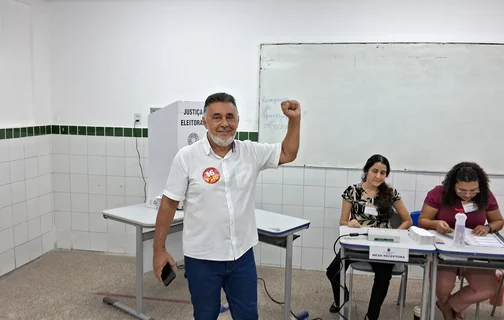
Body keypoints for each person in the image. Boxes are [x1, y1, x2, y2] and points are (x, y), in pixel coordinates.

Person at [152, 92, 301, 320]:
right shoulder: (187, 157)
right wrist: (159, 250)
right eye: (217, 117)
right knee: (205, 315)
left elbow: (287, 153)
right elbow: (168, 204)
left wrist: (294, 120)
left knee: (248, 315)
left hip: (241, 256)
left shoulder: (250, 152)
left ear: (238, 120)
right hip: (202, 258)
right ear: (204, 121)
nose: (224, 123)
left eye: (230, 117)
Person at [326, 154, 413, 320]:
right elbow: (343, 221)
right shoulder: (352, 191)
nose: (378, 176)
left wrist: (395, 233)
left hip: (382, 244)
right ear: (366, 171)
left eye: (383, 173)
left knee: (383, 275)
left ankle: (372, 316)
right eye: (375, 171)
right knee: (332, 271)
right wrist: (350, 222)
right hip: (357, 243)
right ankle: (341, 298)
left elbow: (407, 220)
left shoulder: (391, 193)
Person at [418, 162, 504, 320]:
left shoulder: (485, 195)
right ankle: (446, 303)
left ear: (480, 186)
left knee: (487, 288)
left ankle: (449, 306)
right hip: (445, 251)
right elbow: (423, 220)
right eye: (462, 190)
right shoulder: (438, 193)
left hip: (474, 251)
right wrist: (435, 224)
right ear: (452, 185)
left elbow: (498, 221)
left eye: (473, 190)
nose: (467, 195)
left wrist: (488, 228)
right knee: (442, 290)